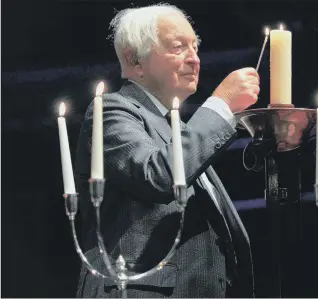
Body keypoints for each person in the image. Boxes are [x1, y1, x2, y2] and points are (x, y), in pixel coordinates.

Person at [74, 3, 260, 298]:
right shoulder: (110, 110)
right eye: (178, 47)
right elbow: (159, 174)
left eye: (196, 48)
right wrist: (221, 104)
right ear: (135, 60)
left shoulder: (181, 133)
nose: (195, 59)